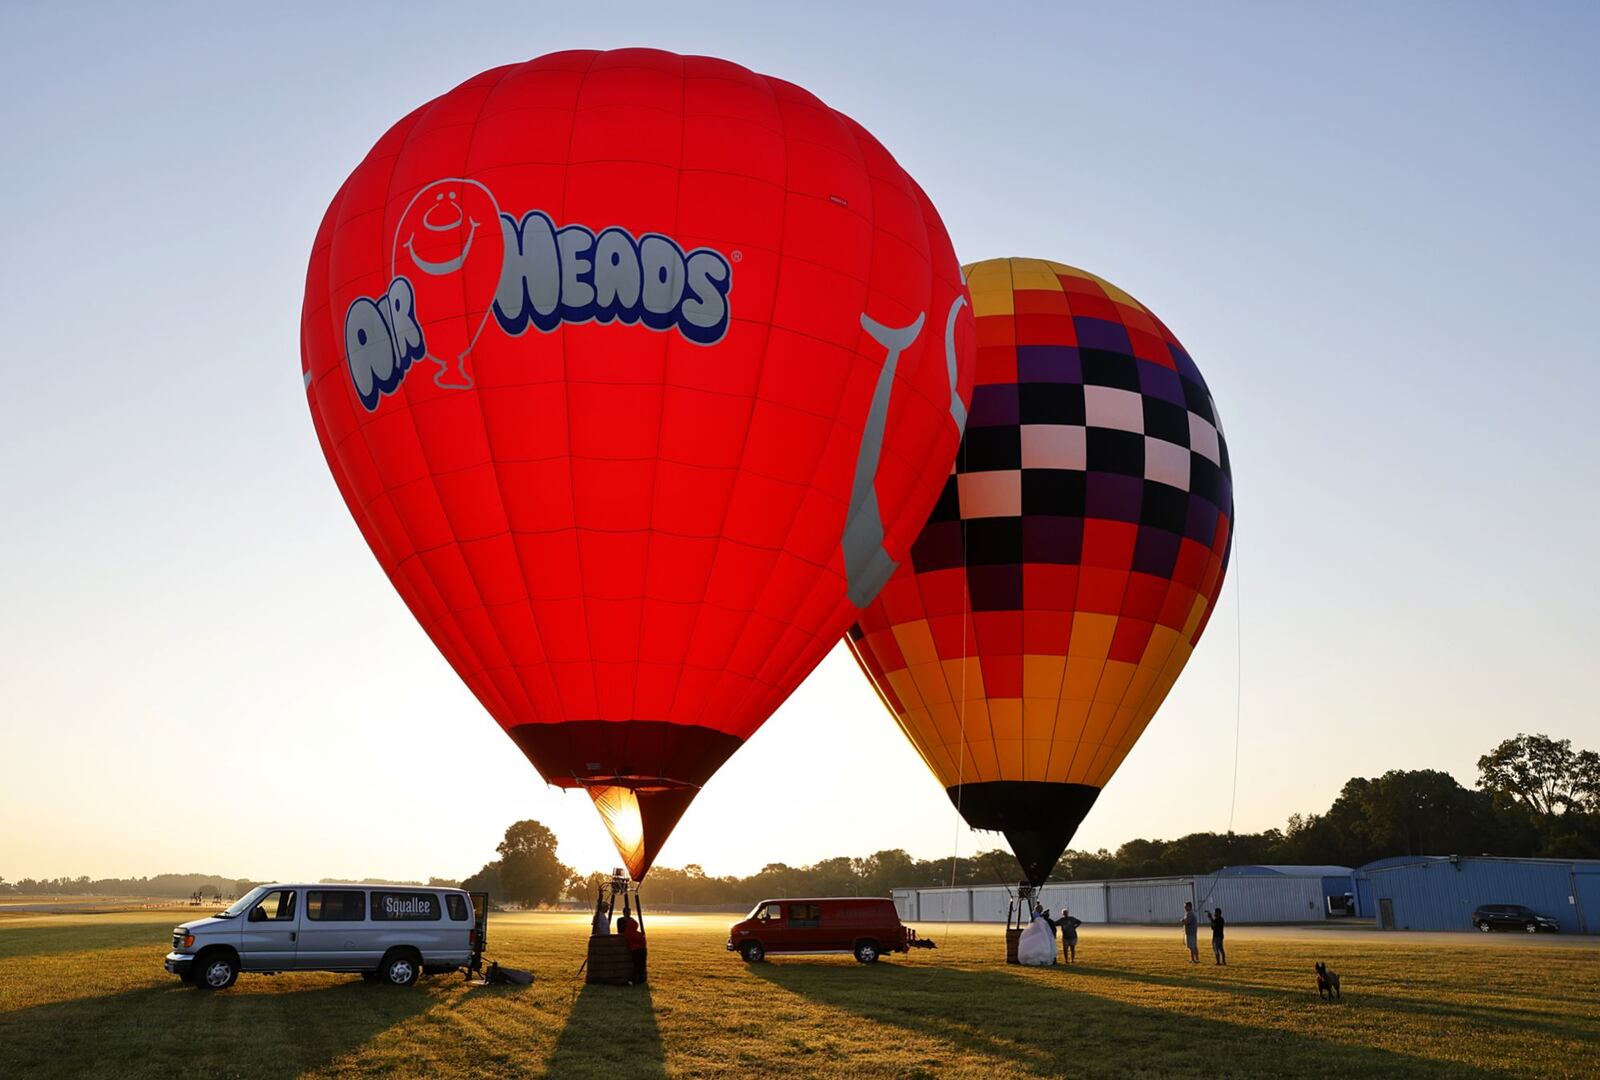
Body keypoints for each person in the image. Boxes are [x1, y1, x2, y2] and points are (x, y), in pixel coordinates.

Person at [617, 914, 647, 985]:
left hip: (634, 951)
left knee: (636, 966)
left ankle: (634, 980)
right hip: (641, 951)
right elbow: (643, 940)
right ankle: (640, 980)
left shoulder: (626, 933)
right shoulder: (638, 934)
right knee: (641, 966)